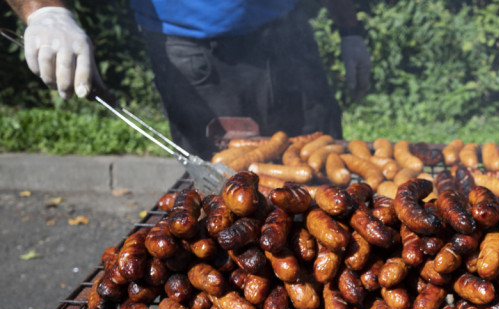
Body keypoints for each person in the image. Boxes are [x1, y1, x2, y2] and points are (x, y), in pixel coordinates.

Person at [7, 0, 371, 160]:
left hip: (287, 33)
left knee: (323, 158)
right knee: (219, 189)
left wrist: (350, 29)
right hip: (192, 53)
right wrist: (45, 11)